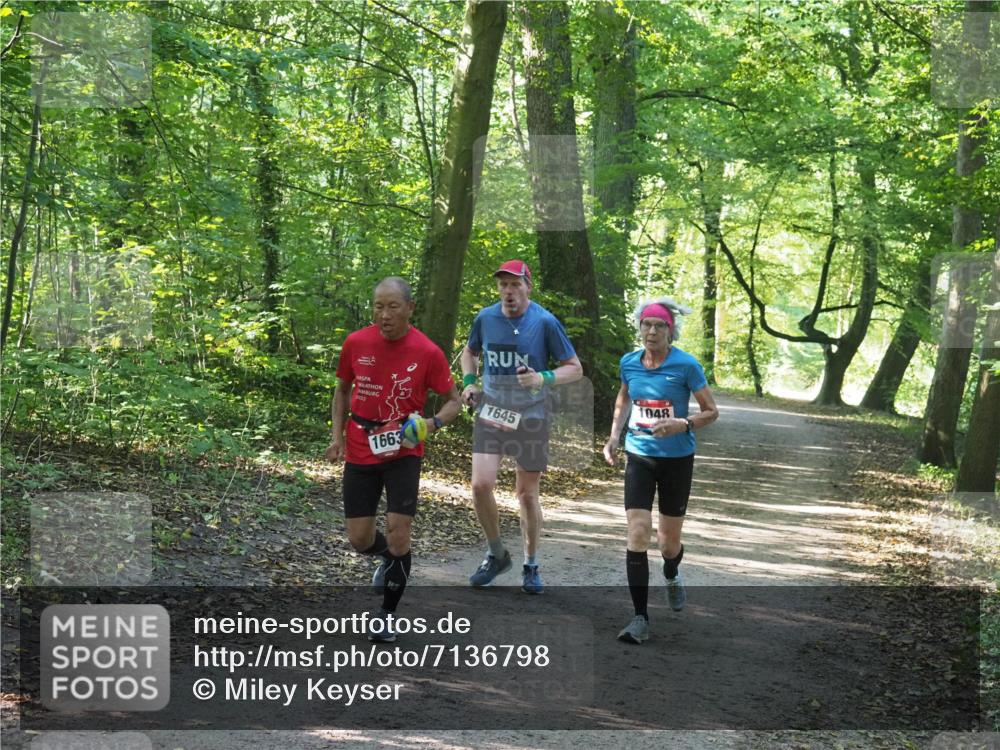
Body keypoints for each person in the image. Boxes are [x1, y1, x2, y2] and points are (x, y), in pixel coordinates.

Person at [326, 277, 461, 642]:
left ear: (410, 308)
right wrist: (337, 437)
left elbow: (454, 400)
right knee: (359, 539)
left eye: (392, 307)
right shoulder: (356, 342)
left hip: (404, 450)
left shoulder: (428, 351)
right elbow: (342, 390)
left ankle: (386, 615)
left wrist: (432, 424)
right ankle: (387, 557)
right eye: (378, 307)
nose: (384, 315)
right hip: (361, 446)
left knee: (400, 533)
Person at [460, 260, 583, 594]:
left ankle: (531, 564)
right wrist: (470, 382)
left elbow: (574, 368)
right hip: (492, 413)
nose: (509, 291)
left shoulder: (544, 322)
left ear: (528, 286)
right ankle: (496, 554)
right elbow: (469, 352)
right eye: (503, 285)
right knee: (480, 485)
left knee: (526, 493)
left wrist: (543, 377)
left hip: (531, 416)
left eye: (515, 284)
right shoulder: (485, 318)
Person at [602, 297, 719, 644]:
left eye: (659, 326)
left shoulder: (686, 365)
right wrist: (614, 436)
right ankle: (640, 618)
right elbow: (624, 396)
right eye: (647, 324)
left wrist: (683, 424)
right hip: (639, 455)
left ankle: (671, 570)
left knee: (668, 544)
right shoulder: (629, 362)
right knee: (638, 532)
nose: (652, 331)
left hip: (677, 460)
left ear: (670, 330)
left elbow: (711, 411)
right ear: (639, 328)